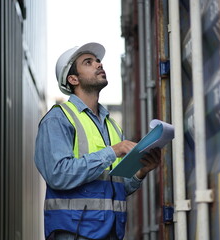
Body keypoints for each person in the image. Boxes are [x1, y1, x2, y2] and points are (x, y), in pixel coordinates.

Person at [34, 42, 161, 240]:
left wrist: (140, 172)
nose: (98, 64)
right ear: (73, 79)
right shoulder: (58, 119)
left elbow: (116, 186)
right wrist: (113, 151)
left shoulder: (112, 126)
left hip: (111, 232)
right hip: (74, 233)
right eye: (88, 62)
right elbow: (57, 174)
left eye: (98, 61)